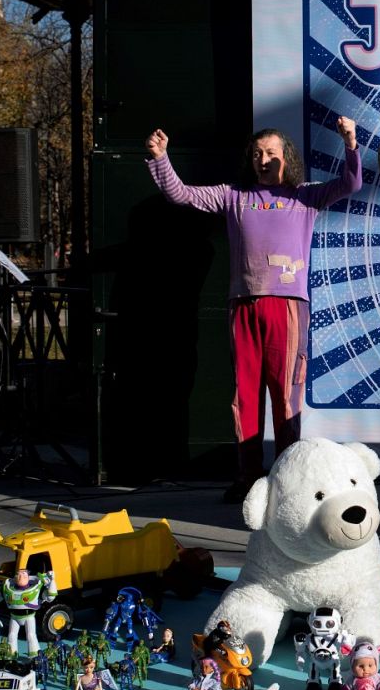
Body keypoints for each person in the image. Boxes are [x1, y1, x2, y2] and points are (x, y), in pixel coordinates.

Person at [145, 117, 361, 502]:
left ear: (285, 157)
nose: (264, 160)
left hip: (288, 308)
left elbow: (350, 184)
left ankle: (287, 482)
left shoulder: (305, 195)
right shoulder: (234, 196)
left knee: (285, 395)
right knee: (245, 397)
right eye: (258, 154)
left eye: (272, 153)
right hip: (242, 306)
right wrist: (161, 157)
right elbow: (180, 195)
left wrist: (350, 143)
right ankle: (248, 478)